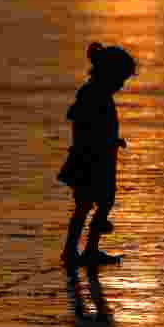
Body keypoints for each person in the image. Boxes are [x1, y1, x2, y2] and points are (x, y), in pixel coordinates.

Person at [59, 42, 136, 266]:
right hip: (89, 160)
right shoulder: (92, 93)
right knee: (88, 205)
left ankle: (86, 249)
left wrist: (112, 141)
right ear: (107, 74)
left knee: (99, 202)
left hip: (97, 158)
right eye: (119, 80)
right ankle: (76, 250)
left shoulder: (96, 92)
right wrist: (101, 142)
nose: (121, 86)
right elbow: (80, 121)